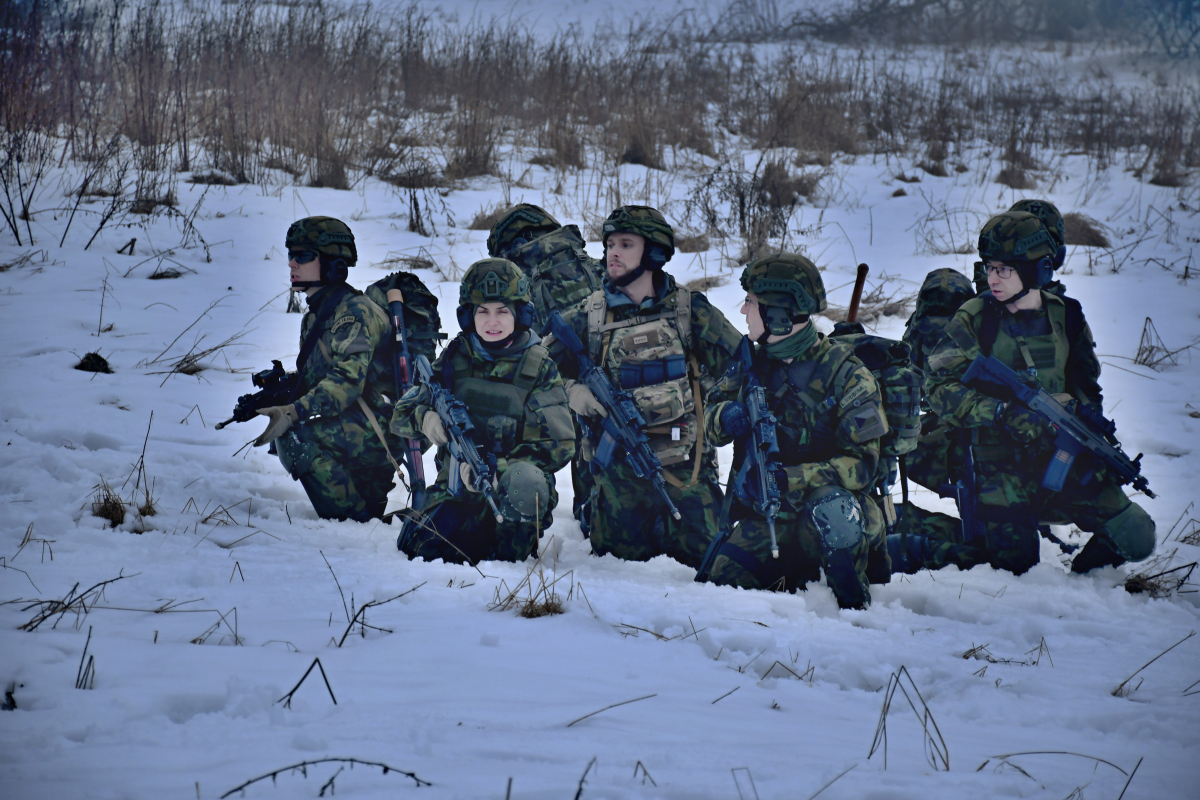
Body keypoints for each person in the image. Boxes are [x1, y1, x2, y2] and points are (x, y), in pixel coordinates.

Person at [916, 210, 1156, 575]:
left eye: (1004, 270)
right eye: (989, 267)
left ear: (1035, 270)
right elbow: (938, 388)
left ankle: (1085, 584)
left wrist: (1086, 420)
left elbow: (1086, 384)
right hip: (995, 461)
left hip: (1060, 451)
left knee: (1136, 534)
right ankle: (908, 532)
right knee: (1014, 565)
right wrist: (1002, 413)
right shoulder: (976, 317)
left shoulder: (1067, 316)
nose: (991, 278)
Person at [546, 205, 743, 568]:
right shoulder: (589, 316)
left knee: (710, 564)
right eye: (610, 245)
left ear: (652, 253)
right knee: (617, 568)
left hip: (688, 473)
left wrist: (717, 411)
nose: (613, 253)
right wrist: (573, 391)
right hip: (619, 480)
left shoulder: (688, 311)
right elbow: (539, 370)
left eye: (626, 245)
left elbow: (741, 366)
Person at [701, 255, 890, 609]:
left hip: (832, 515)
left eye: (751, 302)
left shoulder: (847, 374)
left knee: (832, 512)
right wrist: (725, 416)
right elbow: (709, 422)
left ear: (778, 314)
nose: (743, 311)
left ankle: (855, 611)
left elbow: (862, 465)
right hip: (772, 517)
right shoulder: (751, 365)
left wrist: (791, 479)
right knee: (724, 586)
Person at [390, 258, 575, 563]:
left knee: (522, 494)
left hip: (510, 491)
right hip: (455, 489)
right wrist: (426, 419)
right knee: (422, 550)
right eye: (482, 312)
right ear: (468, 316)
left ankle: (511, 552)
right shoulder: (455, 358)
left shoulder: (538, 366)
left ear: (520, 314)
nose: (492, 322)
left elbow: (559, 444)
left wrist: (497, 470)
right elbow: (401, 414)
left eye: (502, 311)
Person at [252, 216, 397, 522]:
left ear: (333, 265)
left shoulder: (354, 312)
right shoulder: (316, 317)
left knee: (297, 439)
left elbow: (346, 382)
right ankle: (362, 510)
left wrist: (293, 411)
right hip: (358, 420)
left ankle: (353, 522)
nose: (292, 263)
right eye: (290, 254)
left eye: (303, 256)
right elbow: (318, 378)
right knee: (291, 434)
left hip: (386, 425)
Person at [487, 203, 606, 530]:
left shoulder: (513, 285)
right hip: (606, 393)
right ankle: (594, 507)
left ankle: (522, 510)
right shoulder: (594, 266)